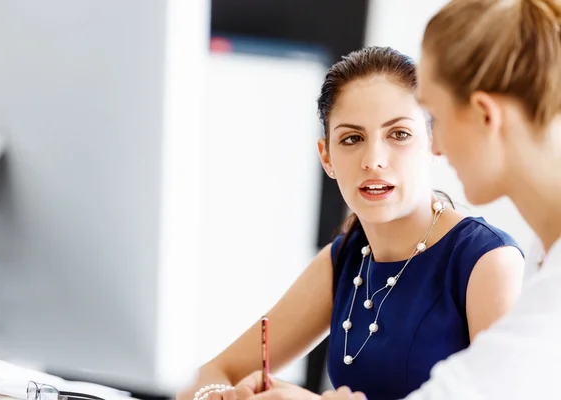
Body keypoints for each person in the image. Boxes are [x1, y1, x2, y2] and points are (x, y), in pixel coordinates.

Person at [175, 46, 525, 400]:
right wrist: (219, 397)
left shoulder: (487, 261)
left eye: (399, 134)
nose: (373, 160)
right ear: (326, 157)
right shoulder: (344, 259)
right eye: (352, 138)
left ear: (436, 143)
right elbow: (208, 375)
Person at [310, 0, 561, 399]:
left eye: (435, 118)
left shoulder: (499, 262)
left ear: (484, 114)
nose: (437, 146)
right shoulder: (545, 259)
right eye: (352, 138)